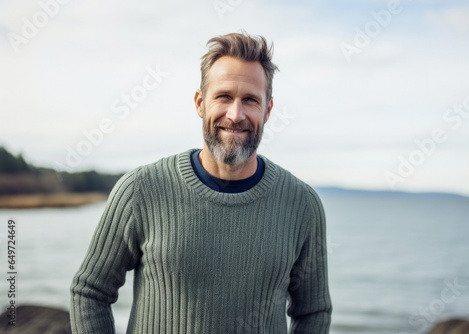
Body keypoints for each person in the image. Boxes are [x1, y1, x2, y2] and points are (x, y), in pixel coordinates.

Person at [70, 32, 332, 333]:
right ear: (200, 103)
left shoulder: (301, 205)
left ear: (268, 110)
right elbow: (90, 293)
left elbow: (313, 311)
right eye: (223, 97)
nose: (235, 115)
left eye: (250, 100)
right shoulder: (140, 190)